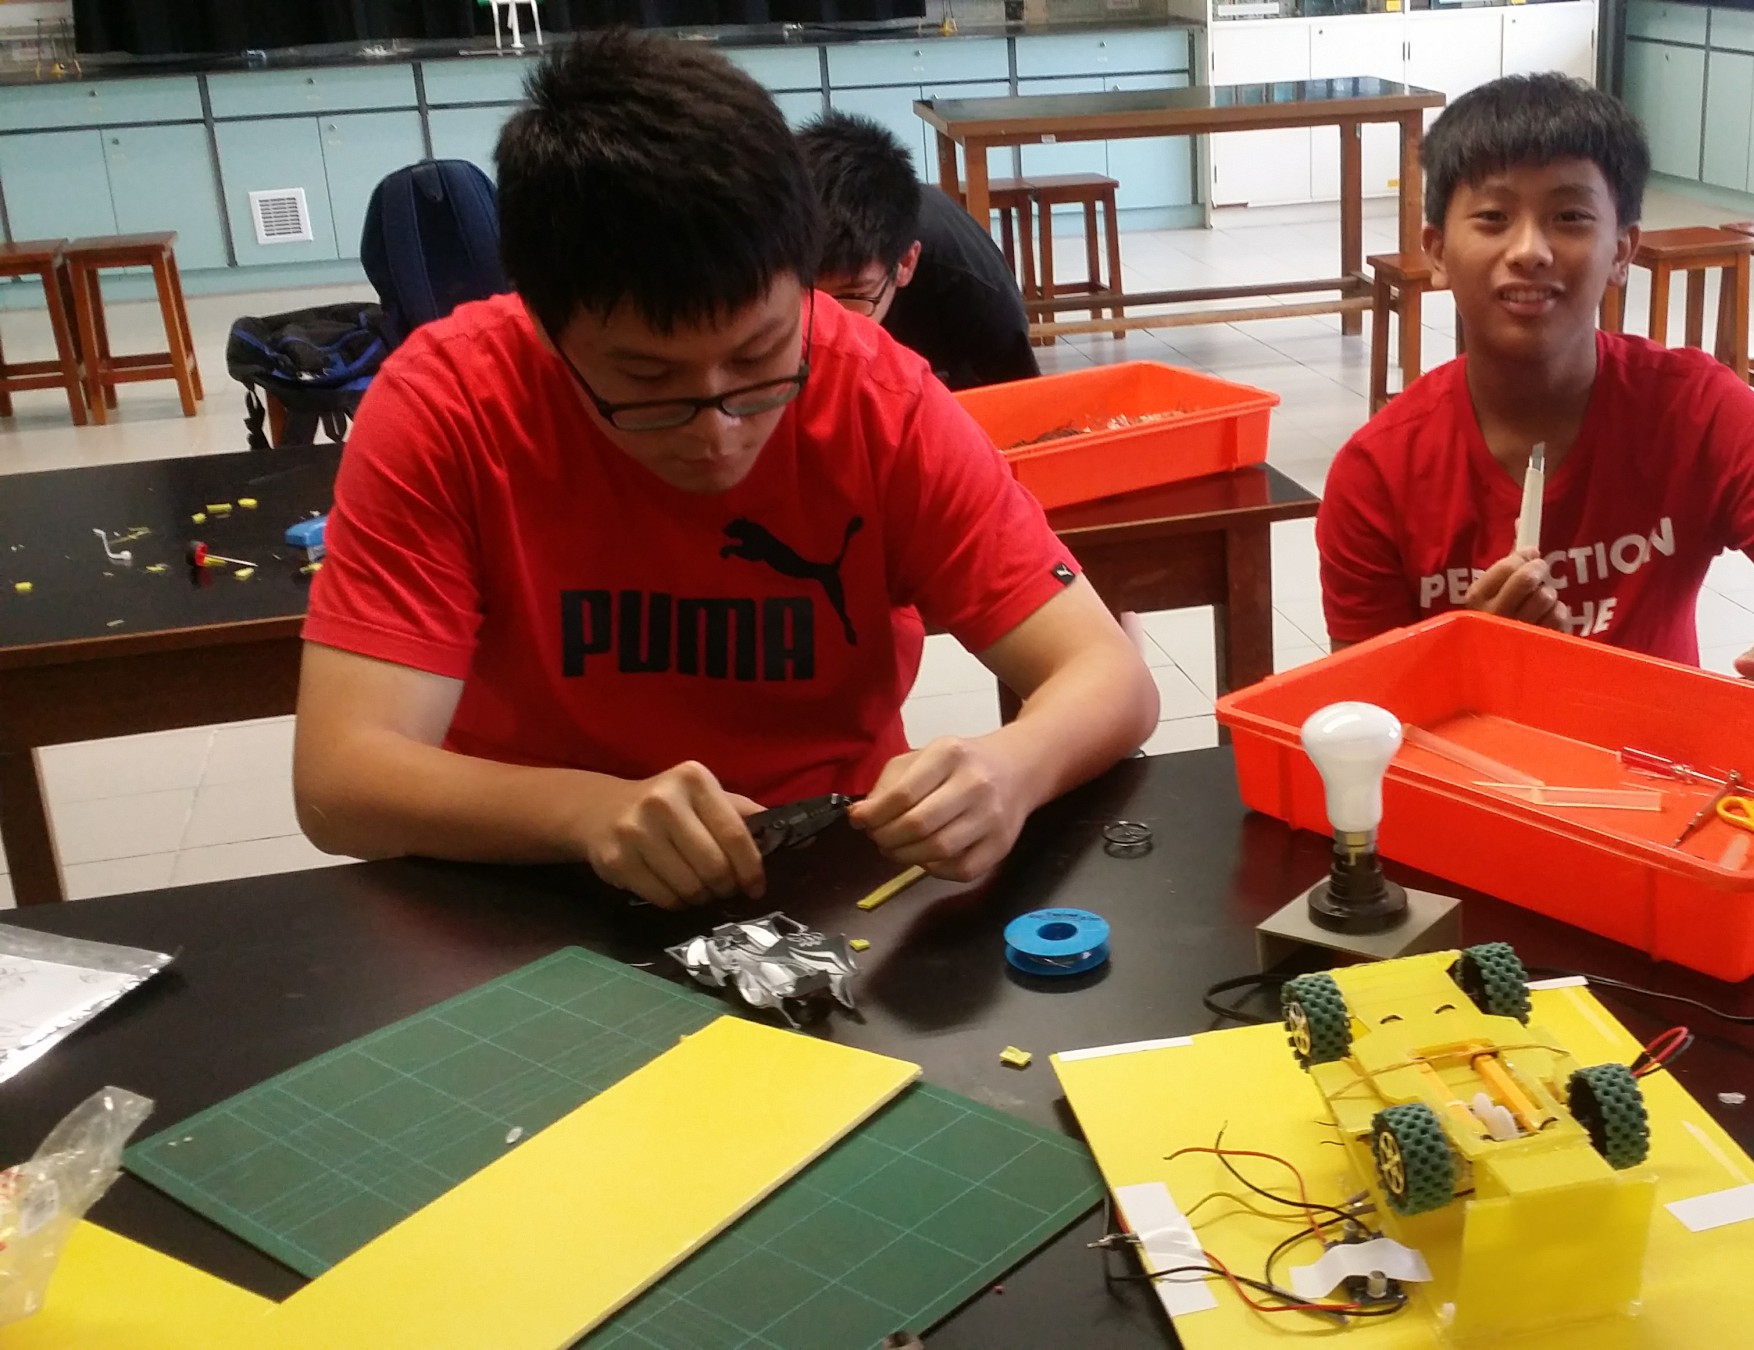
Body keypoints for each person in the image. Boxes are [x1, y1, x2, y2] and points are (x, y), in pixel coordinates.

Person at [291, 31, 1157, 909]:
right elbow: (342, 781)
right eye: (647, 380)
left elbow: (1109, 676)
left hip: (822, 875)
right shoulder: (448, 406)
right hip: (527, 878)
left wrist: (1009, 767)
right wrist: (588, 813)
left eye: (758, 358)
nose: (718, 430)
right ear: (546, 326)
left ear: (802, 282)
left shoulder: (878, 397)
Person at [1314, 74, 1754, 700]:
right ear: (1437, 251)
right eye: (1493, 218)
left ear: (1622, 251)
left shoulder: (1695, 409)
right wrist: (1472, 656)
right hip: (1469, 761)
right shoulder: (1378, 473)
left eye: (1570, 217)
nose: (1530, 250)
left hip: (1659, 756)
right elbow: (1362, 707)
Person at [795, 111, 1042, 392]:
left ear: (905, 262)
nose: (828, 320)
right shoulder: (774, 254)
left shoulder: (977, 293)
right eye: (810, 294)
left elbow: (1016, 401)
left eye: (852, 296)